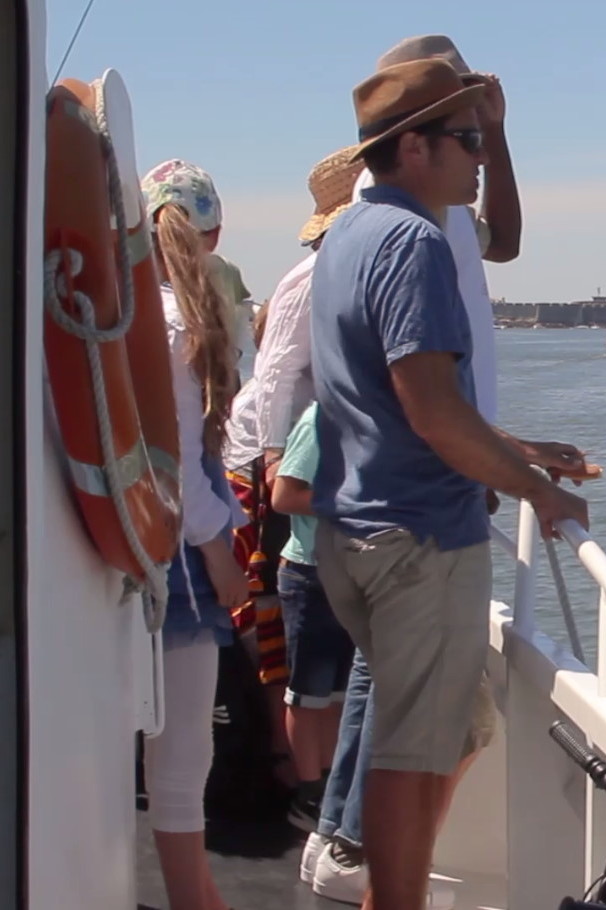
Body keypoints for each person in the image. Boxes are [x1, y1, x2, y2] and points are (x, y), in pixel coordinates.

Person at [310, 58, 589, 910]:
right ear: (415, 147)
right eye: (468, 142)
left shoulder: (345, 240)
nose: (477, 161)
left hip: (352, 535)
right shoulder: (413, 245)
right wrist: (537, 490)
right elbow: (431, 412)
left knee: (411, 736)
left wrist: (513, 453)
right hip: (418, 542)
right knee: (410, 752)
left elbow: (393, 405)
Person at [232, 145, 368, 793]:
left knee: (322, 663)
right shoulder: (312, 277)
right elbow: (277, 373)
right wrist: (277, 464)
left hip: (323, 464)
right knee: (282, 632)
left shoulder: (344, 274)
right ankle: (290, 773)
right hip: (295, 463)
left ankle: (309, 772)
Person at [141, 159, 251, 910]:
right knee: (183, 748)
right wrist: (220, 553)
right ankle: (193, 897)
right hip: (179, 558)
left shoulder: (131, 313)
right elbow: (176, 464)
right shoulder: (184, 320)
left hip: (129, 549)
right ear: (213, 234)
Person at [270, 402, 354, 831]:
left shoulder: (374, 414)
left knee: (340, 693)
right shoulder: (320, 417)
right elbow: (284, 495)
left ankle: (329, 787)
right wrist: (356, 505)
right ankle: (308, 792)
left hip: (350, 574)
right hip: (309, 573)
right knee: (307, 693)